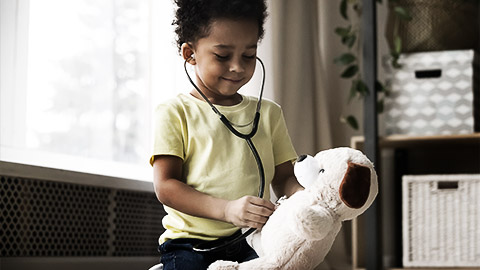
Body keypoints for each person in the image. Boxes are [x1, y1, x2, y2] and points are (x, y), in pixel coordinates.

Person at [150, 0, 304, 269]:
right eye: (222, 56)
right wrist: (227, 210)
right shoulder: (174, 112)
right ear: (190, 53)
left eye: (248, 55)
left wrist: (304, 199)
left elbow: (284, 178)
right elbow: (166, 186)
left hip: (252, 239)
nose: (238, 67)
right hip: (190, 244)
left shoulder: (268, 113)